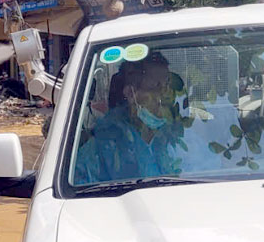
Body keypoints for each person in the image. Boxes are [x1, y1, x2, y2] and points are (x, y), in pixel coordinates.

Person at [74, 52, 189, 184]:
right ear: (130, 93)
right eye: (156, 86)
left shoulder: (181, 138)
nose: (166, 95)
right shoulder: (102, 146)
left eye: (167, 85)